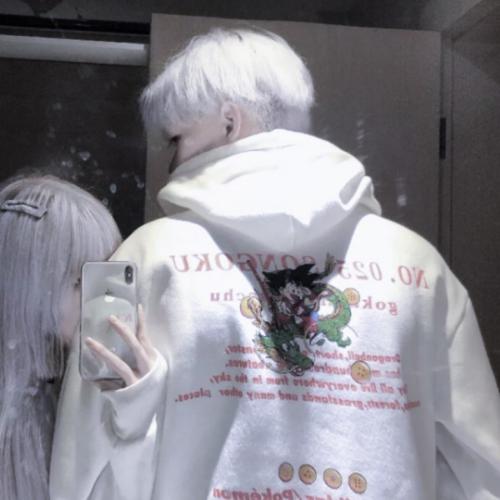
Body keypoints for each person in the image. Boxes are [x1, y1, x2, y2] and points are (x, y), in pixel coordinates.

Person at [50, 27, 500, 500]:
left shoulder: (148, 256)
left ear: (229, 122)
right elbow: (482, 469)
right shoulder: (418, 267)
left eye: (177, 137)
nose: (173, 160)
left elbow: (83, 474)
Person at [0, 176, 122, 500]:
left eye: (102, 278)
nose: (100, 299)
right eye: (79, 282)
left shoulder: (73, 386)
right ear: (30, 285)